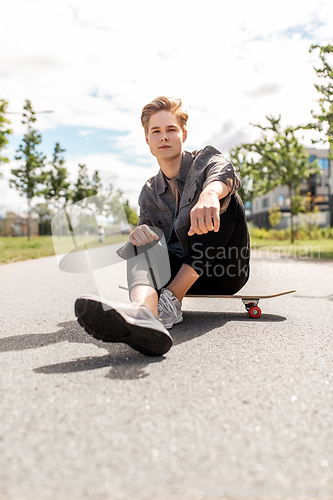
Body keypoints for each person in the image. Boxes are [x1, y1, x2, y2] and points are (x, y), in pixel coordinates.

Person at [75, 96, 250, 357]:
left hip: (222, 271)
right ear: (147, 139)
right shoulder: (149, 192)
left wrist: (210, 193)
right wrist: (140, 233)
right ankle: (144, 313)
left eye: (171, 130)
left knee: (227, 198)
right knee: (142, 239)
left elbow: (226, 173)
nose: (164, 136)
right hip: (171, 273)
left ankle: (170, 301)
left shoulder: (205, 159)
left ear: (183, 134)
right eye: (156, 131)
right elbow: (147, 244)